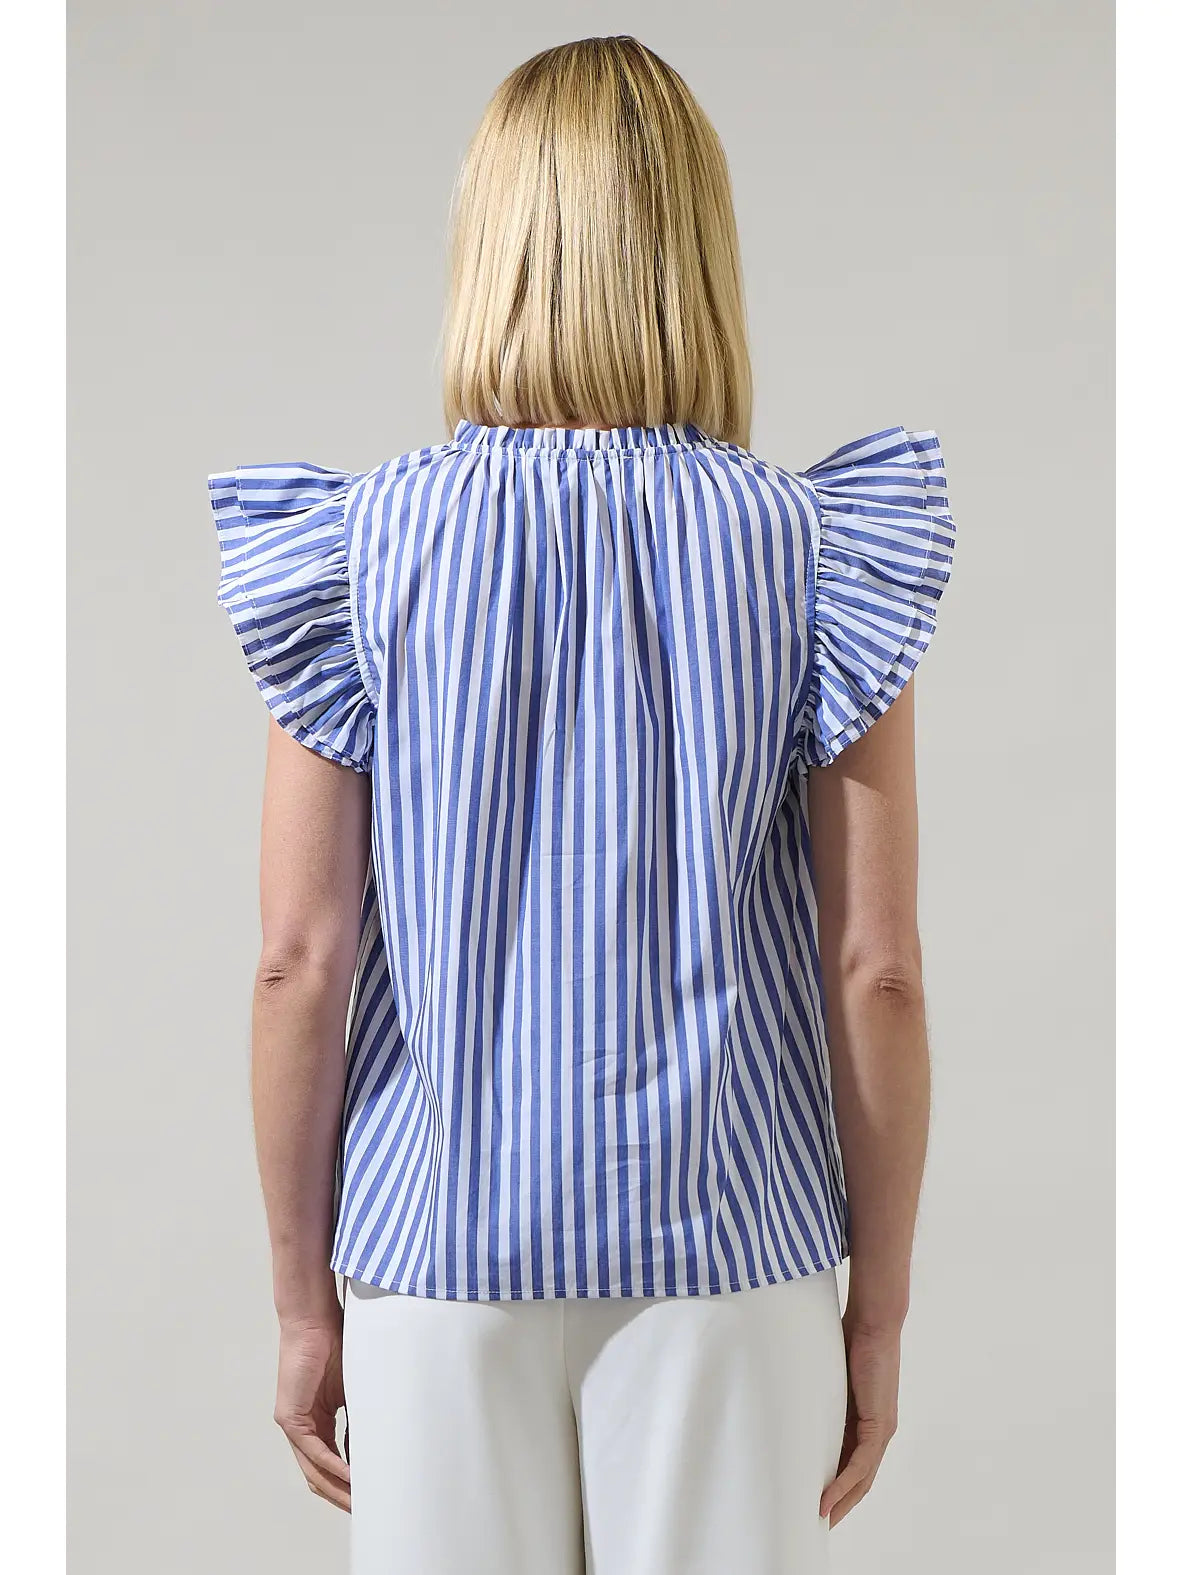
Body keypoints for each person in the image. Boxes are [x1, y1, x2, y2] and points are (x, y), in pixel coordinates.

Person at [209, 35, 956, 1575]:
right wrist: (876, 1315)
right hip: (727, 1249)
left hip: (436, 1252)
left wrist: (299, 1306)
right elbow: (874, 967)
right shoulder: (811, 549)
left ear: (488, 247)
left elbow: (298, 959)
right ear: (697, 255)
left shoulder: (363, 547)